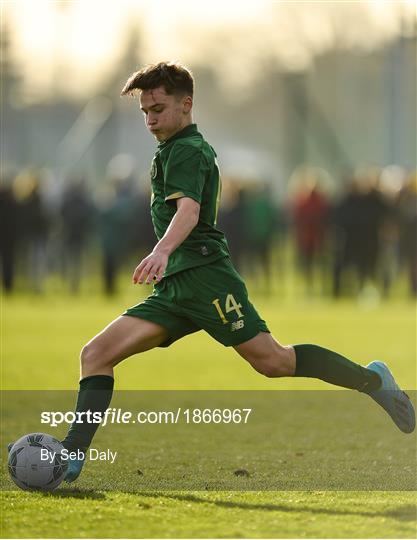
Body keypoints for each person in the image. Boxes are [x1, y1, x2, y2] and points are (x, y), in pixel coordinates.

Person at [57, 62, 414, 482]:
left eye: (158, 108)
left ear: (186, 104)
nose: (150, 119)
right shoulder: (171, 148)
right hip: (176, 286)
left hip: (207, 278)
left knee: (274, 361)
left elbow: (188, 212)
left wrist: (162, 250)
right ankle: (70, 457)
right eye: (145, 112)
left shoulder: (188, 150)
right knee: (95, 355)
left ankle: (372, 379)